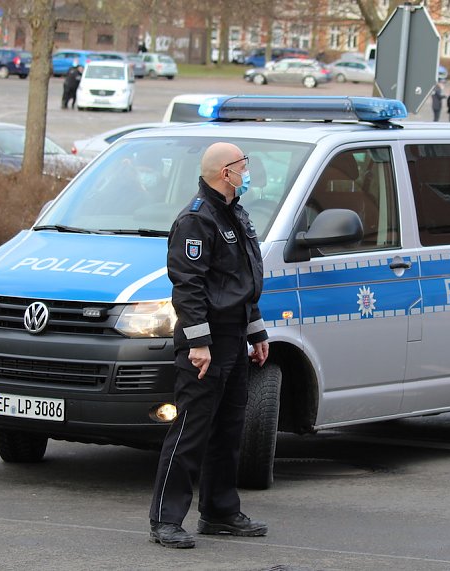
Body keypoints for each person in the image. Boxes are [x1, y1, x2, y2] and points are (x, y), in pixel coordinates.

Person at [149, 142, 269, 549]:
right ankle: (165, 520)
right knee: (190, 430)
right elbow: (189, 286)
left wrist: (257, 332)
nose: (248, 171)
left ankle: (219, 511)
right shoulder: (196, 221)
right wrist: (200, 343)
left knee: (228, 429)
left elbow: (243, 282)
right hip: (207, 341)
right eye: (243, 165)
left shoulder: (235, 214)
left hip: (235, 337)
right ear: (224, 172)